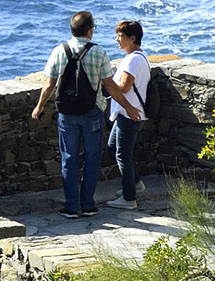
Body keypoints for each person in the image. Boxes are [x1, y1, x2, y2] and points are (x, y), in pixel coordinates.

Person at [29, 11, 139, 221]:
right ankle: (88, 205)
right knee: (92, 158)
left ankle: (71, 207)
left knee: (69, 159)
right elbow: (110, 86)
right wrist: (129, 107)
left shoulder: (59, 51)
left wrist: (39, 106)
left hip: (67, 113)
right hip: (92, 112)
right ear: (90, 31)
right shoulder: (98, 52)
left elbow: (49, 84)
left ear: (72, 30)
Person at [107, 17, 151, 209]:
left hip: (130, 114)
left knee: (122, 154)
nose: (117, 39)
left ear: (132, 38)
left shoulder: (133, 60)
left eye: (120, 36)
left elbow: (124, 87)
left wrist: (108, 80)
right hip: (127, 114)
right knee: (112, 148)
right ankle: (135, 184)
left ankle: (129, 199)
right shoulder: (139, 56)